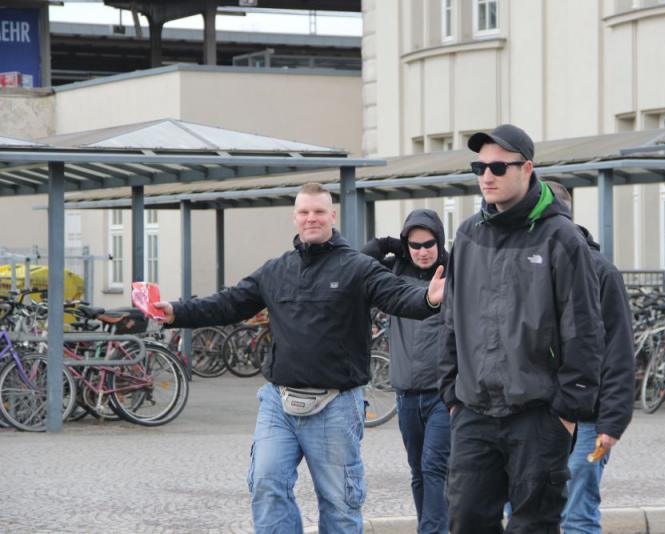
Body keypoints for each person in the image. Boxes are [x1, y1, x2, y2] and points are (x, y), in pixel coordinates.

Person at [154, 182, 445, 534]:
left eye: (319, 212)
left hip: (336, 406)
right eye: (304, 212)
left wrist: (427, 299)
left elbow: (398, 296)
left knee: (339, 505)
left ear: (332, 216)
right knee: (265, 484)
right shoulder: (276, 270)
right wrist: (174, 312)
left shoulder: (357, 268)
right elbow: (228, 303)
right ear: (294, 218)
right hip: (279, 403)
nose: (312, 219)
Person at [438, 124, 604, 534]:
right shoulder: (468, 234)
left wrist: (567, 412)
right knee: (466, 522)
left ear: (527, 168)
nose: (486, 176)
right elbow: (451, 319)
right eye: (479, 166)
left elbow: (583, 329)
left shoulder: (561, 237)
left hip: (537, 414)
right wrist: (451, 392)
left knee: (533, 526)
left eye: (498, 166)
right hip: (474, 411)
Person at [543, 182, 635, 534]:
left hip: (587, 417)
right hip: (537, 413)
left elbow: (619, 351)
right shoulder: (530, 265)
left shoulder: (601, 272)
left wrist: (611, 423)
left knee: (577, 513)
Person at [362, 209, 450, 534]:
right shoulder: (393, 272)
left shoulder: (455, 272)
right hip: (406, 395)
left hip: (444, 395)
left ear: (439, 242)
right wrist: (387, 243)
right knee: (419, 470)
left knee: (434, 468)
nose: (422, 250)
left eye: (429, 243)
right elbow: (360, 261)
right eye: (414, 245)